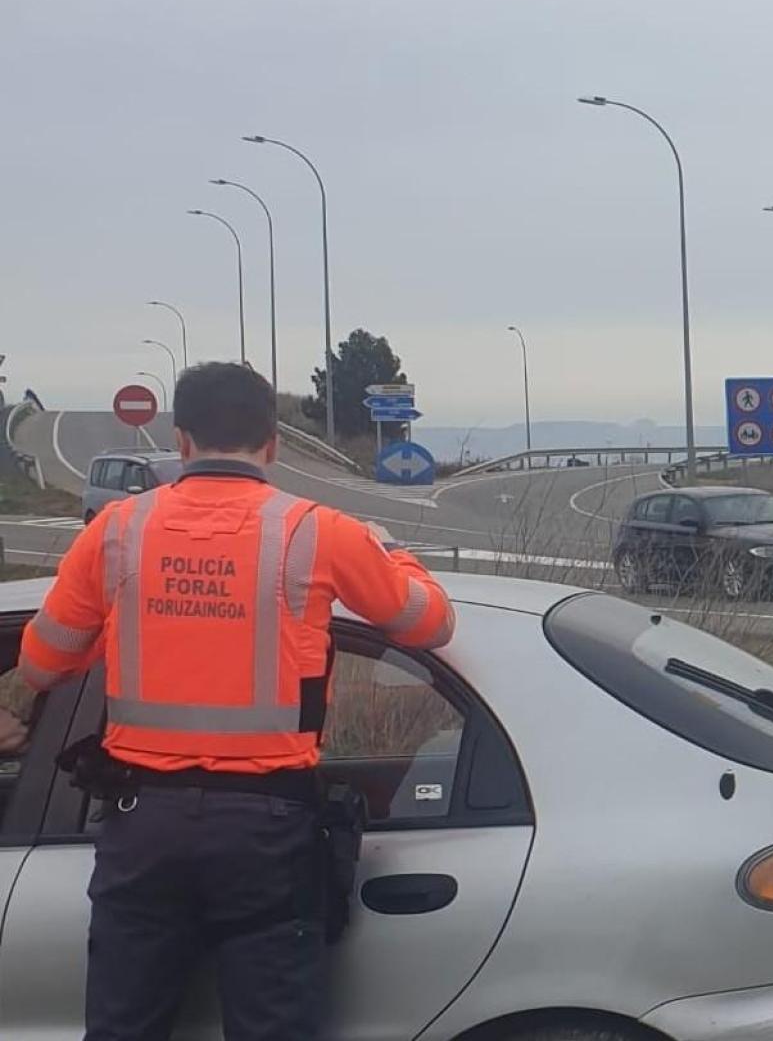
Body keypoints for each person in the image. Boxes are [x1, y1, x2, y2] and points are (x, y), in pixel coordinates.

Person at [2, 361, 454, 1041]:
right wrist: (393, 550)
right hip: (268, 827)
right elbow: (429, 624)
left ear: (181, 441)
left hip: (140, 823)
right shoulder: (319, 532)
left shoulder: (117, 531)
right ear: (271, 443)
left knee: (124, 1027)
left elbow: (41, 661)